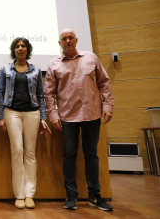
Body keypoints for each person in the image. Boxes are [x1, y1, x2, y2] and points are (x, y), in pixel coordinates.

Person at [44, 28, 114, 211]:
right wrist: (53, 115)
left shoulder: (91, 58)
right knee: (69, 155)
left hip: (92, 114)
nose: (67, 41)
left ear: (76, 40)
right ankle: (71, 194)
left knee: (91, 155)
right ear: (59, 43)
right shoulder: (54, 64)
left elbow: (104, 83)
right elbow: (49, 93)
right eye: (63, 39)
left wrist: (108, 106)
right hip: (67, 116)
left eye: (70, 38)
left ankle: (94, 195)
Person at [0, 37, 51, 209]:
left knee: (30, 153)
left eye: (24, 46)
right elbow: (0, 93)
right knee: (17, 151)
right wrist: (0, 117)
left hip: (32, 113)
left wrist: (43, 117)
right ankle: (19, 195)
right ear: (14, 50)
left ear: (28, 50)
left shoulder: (36, 70)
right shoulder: (6, 69)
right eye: (18, 46)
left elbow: (41, 95)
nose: (21, 48)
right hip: (11, 112)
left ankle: (29, 195)